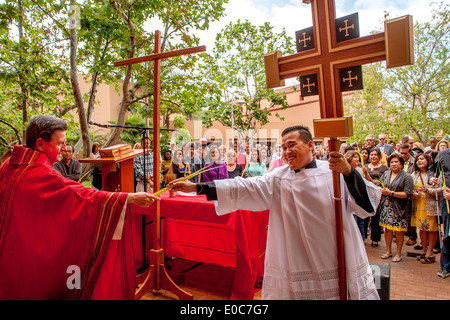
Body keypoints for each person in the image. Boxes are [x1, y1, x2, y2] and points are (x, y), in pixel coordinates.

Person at [170, 125, 381, 300]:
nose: (287, 151)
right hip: (297, 256)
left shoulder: (333, 173)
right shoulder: (278, 177)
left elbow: (366, 205)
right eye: (283, 147)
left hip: (333, 254)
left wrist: (349, 172)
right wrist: (196, 188)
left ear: (309, 145)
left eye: (292, 145)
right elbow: (242, 187)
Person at [0, 114, 159, 299]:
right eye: (60, 144)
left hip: (9, 252)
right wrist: (127, 198)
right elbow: (81, 195)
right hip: (29, 262)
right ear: (41, 144)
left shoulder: (8, 166)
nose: (64, 149)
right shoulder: (43, 174)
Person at [378, 153, 414, 262]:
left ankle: (398, 253)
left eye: (396, 162)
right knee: (387, 229)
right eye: (392, 162)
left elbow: (408, 193)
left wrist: (392, 193)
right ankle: (388, 251)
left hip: (399, 207)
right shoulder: (386, 173)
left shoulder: (407, 176)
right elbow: (380, 184)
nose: (394, 164)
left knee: (398, 231)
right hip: (386, 205)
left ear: (402, 164)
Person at [411, 153, 442, 264]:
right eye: (417, 159)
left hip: (431, 205)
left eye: (422, 159)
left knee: (431, 229)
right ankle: (424, 250)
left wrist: (427, 190)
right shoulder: (414, 174)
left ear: (428, 160)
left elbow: (440, 190)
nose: (419, 161)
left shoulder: (436, 174)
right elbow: (410, 189)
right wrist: (414, 193)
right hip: (419, 205)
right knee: (422, 229)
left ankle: (430, 252)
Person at [362, 148, 389, 247]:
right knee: (364, 216)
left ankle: (375, 239)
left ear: (379, 157)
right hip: (366, 193)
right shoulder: (365, 166)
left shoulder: (384, 168)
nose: (373, 156)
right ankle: (363, 237)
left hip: (377, 194)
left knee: (376, 217)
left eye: (375, 155)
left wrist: (369, 177)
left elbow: (382, 182)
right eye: (371, 155)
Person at [434, 145, 450, 278]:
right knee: (447, 235)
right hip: (447, 201)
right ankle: (445, 266)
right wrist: (432, 179)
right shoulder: (443, 154)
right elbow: (432, 171)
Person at [344, 150, 365, 239]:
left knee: (361, 223)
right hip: (350, 200)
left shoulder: (360, 170)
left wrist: (366, 173)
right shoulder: (344, 170)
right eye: (355, 157)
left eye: (357, 157)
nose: (357, 159)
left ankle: (362, 240)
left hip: (360, 200)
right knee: (353, 221)